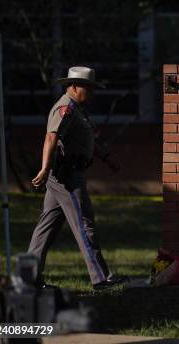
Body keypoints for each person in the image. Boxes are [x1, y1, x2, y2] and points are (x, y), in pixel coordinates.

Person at [28, 66, 126, 290]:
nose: (90, 93)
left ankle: (29, 278)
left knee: (46, 228)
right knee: (84, 222)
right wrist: (43, 169)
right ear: (73, 86)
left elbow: (88, 140)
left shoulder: (79, 110)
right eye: (87, 88)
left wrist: (107, 158)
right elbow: (51, 138)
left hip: (68, 174)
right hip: (67, 177)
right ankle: (101, 277)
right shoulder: (65, 108)